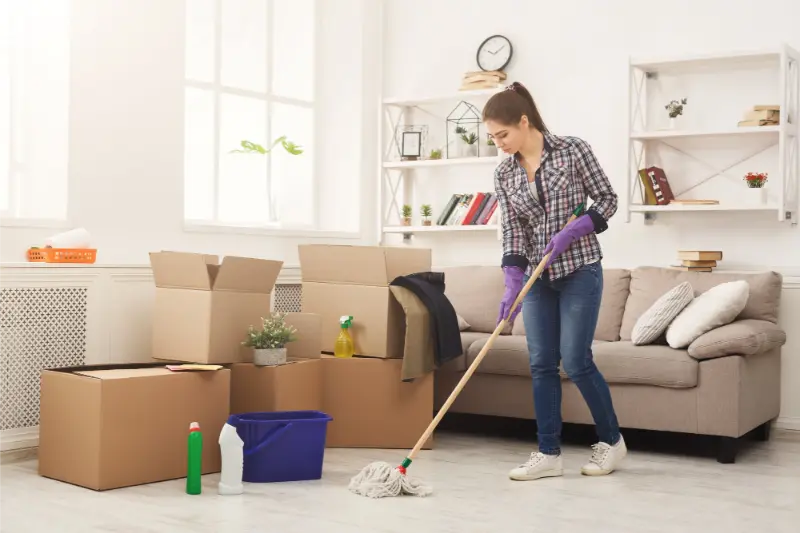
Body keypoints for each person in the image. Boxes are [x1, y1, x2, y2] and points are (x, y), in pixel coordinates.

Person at [483, 81, 626, 481]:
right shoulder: (504, 174)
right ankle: (548, 452)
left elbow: (607, 200)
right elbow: (512, 228)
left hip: (580, 268)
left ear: (524, 122)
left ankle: (612, 443)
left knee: (576, 361)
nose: (499, 144)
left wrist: (580, 226)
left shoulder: (572, 150)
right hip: (537, 278)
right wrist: (512, 277)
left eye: (503, 134)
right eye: (493, 137)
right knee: (541, 364)